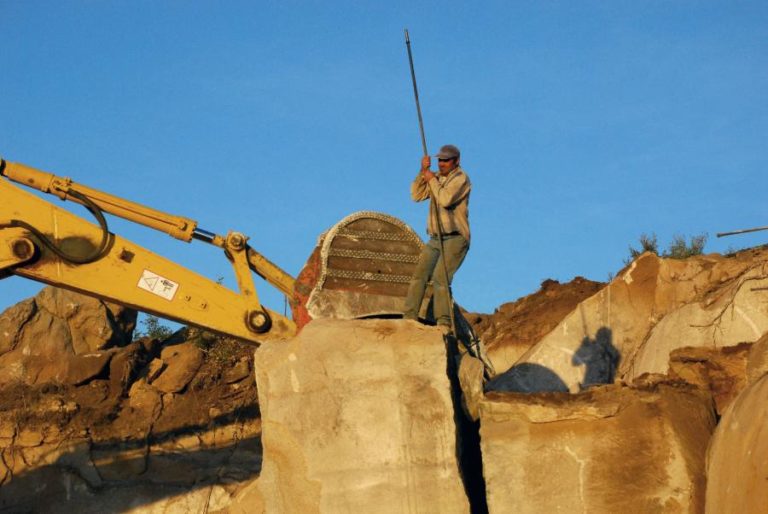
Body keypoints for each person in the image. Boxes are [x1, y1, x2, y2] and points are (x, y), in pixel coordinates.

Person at [403, 144, 471, 328]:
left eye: (446, 160)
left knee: (441, 278)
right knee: (420, 275)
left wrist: (432, 179)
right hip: (435, 237)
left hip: (456, 238)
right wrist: (423, 171)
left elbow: (445, 199)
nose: (442, 164)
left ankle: (444, 322)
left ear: (456, 161)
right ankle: (409, 317)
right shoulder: (437, 177)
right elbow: (416, 195)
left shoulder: (461, 179)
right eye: (440, 160)